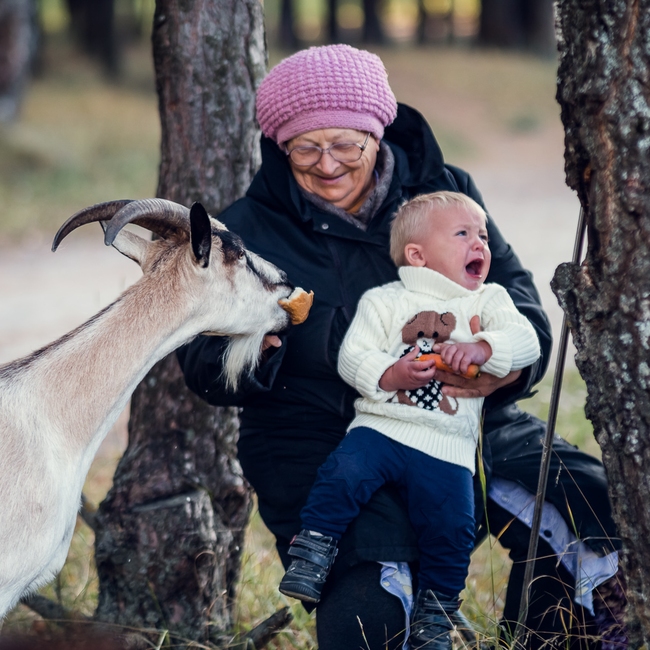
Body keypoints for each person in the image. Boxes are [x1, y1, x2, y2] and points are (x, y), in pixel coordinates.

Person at [177, 44, 623, 649]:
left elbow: (519, 306)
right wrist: (285, 347)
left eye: (345, 145)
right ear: (280, 148)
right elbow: (201, 363)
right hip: (324, 443)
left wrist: (505, 371)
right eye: (305, 148)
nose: (327, 165)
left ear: (377, 132)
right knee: (372, 620)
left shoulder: (446, 194)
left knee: (592, 512)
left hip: (466, 420)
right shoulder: (246, 232)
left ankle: (545, 639)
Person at [277, 191, 541, 649]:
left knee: (453, 529)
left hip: (447, 443)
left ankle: (435, 615)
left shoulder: (489, 300)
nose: (479, 243)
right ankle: (313, 550)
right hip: (382, 426)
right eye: (463, 234)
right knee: (342, 475)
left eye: (482, 235)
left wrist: (484, 349)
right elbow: (353, 355)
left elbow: (527, 341)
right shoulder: (384, 300)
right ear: (417, 255)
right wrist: (390, 373)